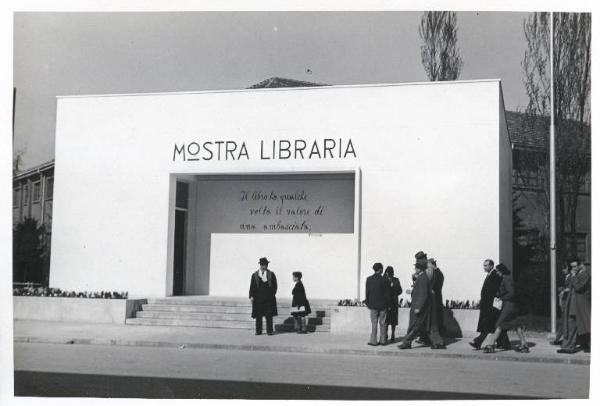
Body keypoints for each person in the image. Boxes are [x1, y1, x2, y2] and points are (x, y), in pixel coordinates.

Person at [481, 264, 529, 353]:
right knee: (516, 324)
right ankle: (524, 344)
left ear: (501, 271)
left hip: (508, 305)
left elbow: (511, 293)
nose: (497, 273)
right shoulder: (507, 278)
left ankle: (491, 345)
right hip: (511, 305)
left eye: (498, 271)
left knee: (499, 324)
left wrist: (501, 297)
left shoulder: (506, 279)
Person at [399, 263, 444, 349]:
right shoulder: (423, 277)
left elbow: (423, 294)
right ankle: (437, 343)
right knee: (429, 326)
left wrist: (418, 308)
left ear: (419, 269)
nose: (415, 269)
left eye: (416, 268)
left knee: (416, 326)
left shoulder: (422, 278)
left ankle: (406, 343)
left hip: (420, 307)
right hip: (424, 306)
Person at [470, 259, 511, 350]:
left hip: (491, 305)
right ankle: (504, 343)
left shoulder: (495, 275)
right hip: (487, 304)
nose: (484, 267)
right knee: (495, 324)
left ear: (491, 266)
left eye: (486, 265)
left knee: (488, 324)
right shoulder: (490, 275)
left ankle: (478, 341)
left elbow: (494, 290)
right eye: (484, 265)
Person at [557, 259, 591, 353]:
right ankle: (568, 347)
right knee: (571, 325)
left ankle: (586, 345)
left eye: (575, 266)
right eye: (572, 267)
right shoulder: (575, 275)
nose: (573, 268)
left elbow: (578, 287)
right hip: (572, 305)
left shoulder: (585, 275)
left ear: (580, 265)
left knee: (584, 326)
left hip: (580, 305)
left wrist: (573, 276)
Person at [249, 257, 278, 335]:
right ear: (260, 265)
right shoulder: (255, 275)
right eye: (262, 265)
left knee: (269, 315)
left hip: (268, 299)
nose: (264, 267)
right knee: (258, 316)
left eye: (265, 265)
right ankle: (258, 331)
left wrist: (272, 294)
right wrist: (251, 296)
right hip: (258, 299)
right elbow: (252, 286)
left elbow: (275, 286)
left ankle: (270, 331)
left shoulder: (271, 274)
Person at [425, 258, 446, 349]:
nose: (427, 268)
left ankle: (437, 341)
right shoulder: (439, 273)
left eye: (428, 265)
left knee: (434, 321)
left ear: (431, 264)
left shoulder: (436, 274)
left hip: (435, 299)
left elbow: (432, 286)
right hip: (438, 298)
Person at [365, 262, 388, 346]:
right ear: (381, 269)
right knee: (383, 323)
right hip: (383, 305)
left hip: (373, 305)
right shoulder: (385, 279)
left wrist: (368, 303)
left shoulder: (369, 279)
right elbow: (387, 293)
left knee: (374, 323)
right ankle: (383, 340)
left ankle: (373, 341)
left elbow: (367, 292)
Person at [551, 264, 572, 345]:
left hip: (566, 302)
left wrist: (563, 291)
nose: (563, 270)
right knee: (563, 321)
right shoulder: (567, 277)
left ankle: (558, 339)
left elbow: (570, 288)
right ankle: (559, 338)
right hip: (564, 301)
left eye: (564, 268)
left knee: (563, 321)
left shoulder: (570, 277)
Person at [384, 266, 403, 343]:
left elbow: (400, 290)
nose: (388, 275)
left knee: (393, 321)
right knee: (386, 320)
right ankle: (385, 334)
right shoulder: (384, 280)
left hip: (394, 302)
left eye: (389, 273)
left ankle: (393, 334)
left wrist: (393, 286)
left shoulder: (396, 280)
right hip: (386, 302)